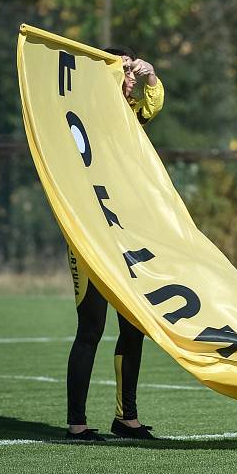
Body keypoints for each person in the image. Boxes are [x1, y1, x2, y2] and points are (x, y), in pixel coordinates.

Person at [65, 46, 164, 441]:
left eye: (129, 70)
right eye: (120, 70)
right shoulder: (79, 117)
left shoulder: (128, 116)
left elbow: (150, 108)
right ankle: (76, 423)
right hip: (88, 236)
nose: (128, 77)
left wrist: (151, 78)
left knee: (133, 326)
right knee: (91, 328)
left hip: (124, 237)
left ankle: (126, 418)